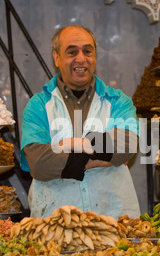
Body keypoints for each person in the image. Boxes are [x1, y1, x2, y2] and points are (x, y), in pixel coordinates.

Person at [20, 25, 140, 219]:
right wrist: (105, 158)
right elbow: (40, 163)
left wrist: (64, 148)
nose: (81, 58)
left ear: (95, 56)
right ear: (56, 58)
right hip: (55, 224)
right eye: (72, 52)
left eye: (87, 51)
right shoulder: (38, 106)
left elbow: (126, 145)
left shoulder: (118, 101)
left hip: (114, 222)